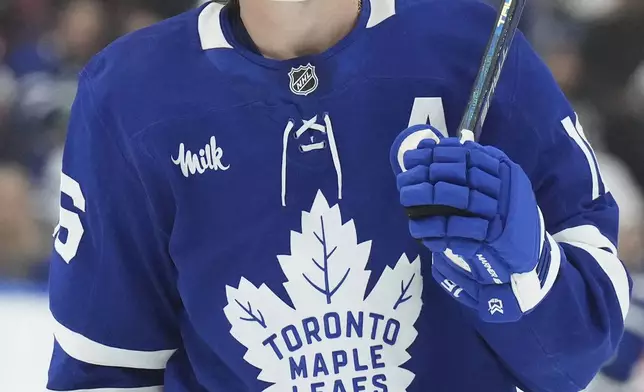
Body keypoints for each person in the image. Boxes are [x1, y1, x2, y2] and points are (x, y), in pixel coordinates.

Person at [46, 0, 631, 391]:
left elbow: (577, 356)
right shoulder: (129, 94)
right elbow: (104, 369)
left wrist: (524, 274)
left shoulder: (477, 50)